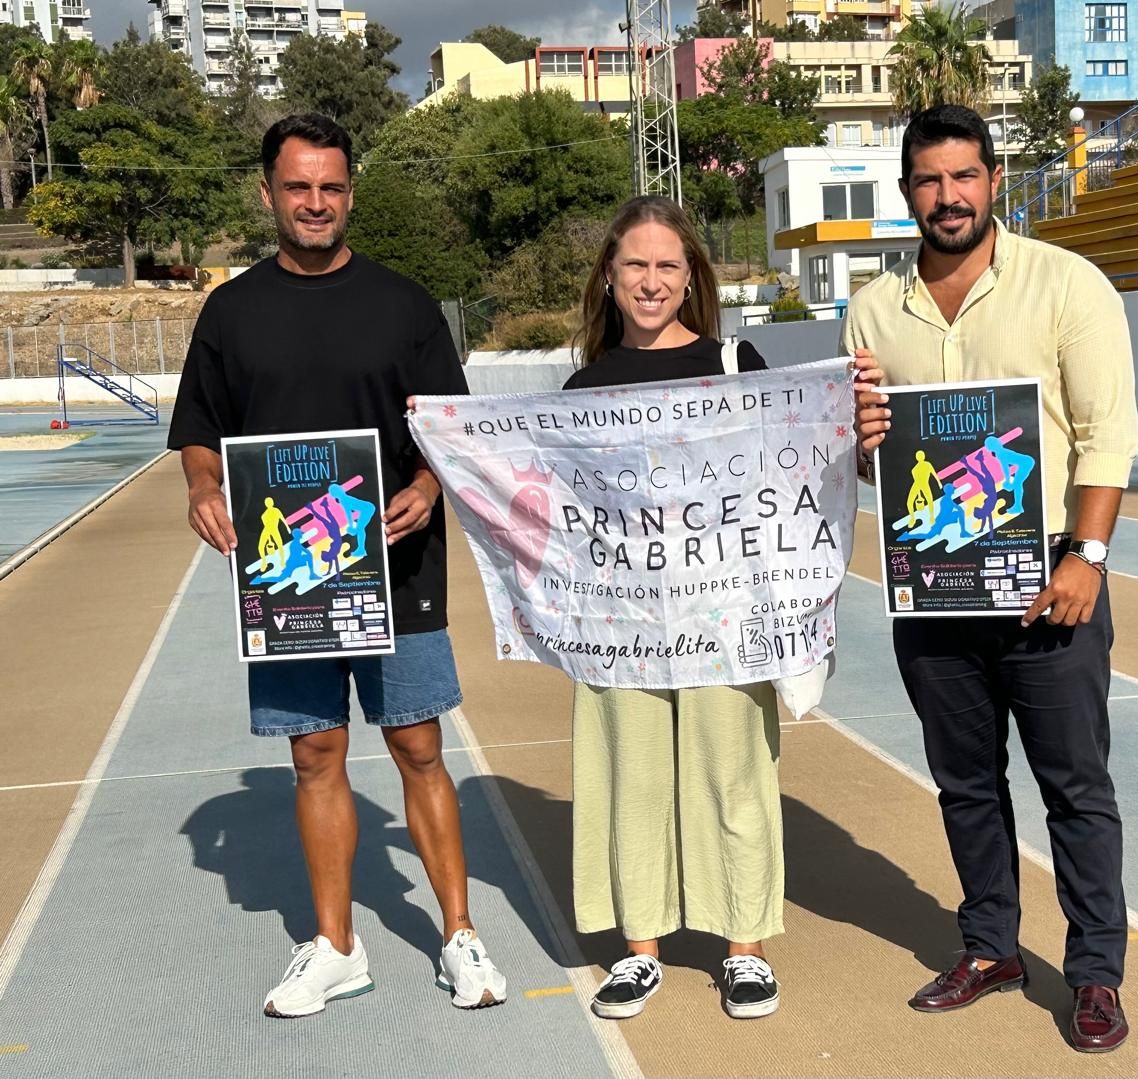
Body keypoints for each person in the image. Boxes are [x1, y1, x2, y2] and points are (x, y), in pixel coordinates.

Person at [168, 113, 508, 1019]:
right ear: (269, 192)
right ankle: (336, 945)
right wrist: (204, 488)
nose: (315, 203)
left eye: (331, 188)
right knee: (315, 754)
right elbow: (200, 434)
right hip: (291, 578)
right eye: (298, 187)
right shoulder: (230, 311)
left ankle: (460, 934)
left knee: (418, 747)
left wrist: (431, 488)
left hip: (398, 564)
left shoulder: (404, 305)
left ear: (350, 193)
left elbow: (451, 431)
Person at [848, 105, 1138, 1054]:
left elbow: (1107, 435)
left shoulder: (1067, 284)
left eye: (964, 177)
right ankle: (990, 947)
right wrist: (863, 444)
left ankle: (1094, 972)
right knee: (964, 782)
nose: (948, 197)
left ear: (994, 180)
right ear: (907, 194)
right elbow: (867, 461)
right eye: (929, 181)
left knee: (1075, 786)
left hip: (1047, 573)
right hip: (931, 581)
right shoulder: (871, 307)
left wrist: (1086, 557)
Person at [562, 194, 784, 1022]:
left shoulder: (737, 362)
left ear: (689, 274)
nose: (650, 282)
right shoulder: (583, 386)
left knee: (734, 774)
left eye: (666, 265)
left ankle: (744, 948)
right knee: (634, 778)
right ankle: (640, 948)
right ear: (609, 277)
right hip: (622, 625)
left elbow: (783, 479)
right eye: (635, 266)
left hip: (723, 617)